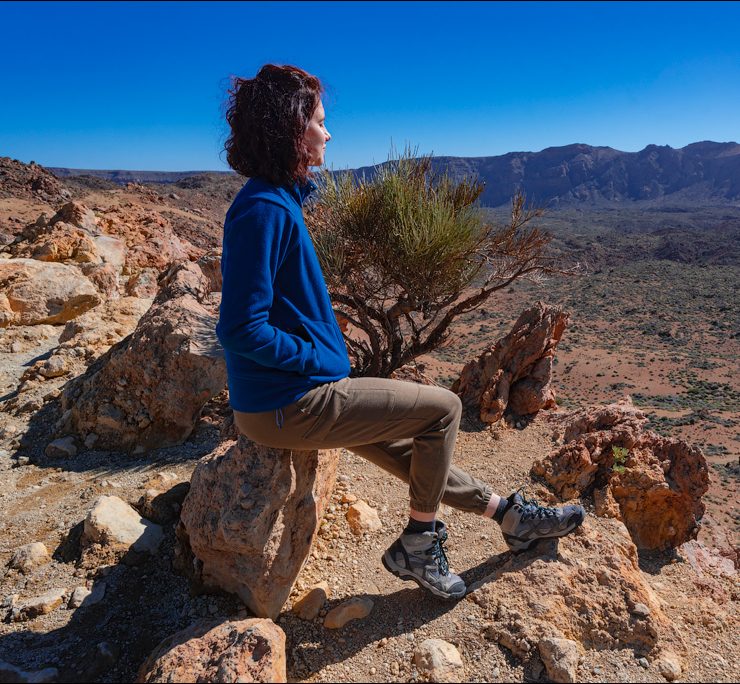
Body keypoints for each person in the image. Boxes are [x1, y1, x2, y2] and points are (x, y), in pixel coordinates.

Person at [215, 64, 585, 600]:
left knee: (413, 450)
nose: (328, 133)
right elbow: (239, 329)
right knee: (444, 409)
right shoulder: (261, 211)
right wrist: (317, 357)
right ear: (293, 129)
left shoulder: (274, 201)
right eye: (319, 121)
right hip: (287, 401)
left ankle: (509, 518)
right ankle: (418, 542)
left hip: (284, 398)